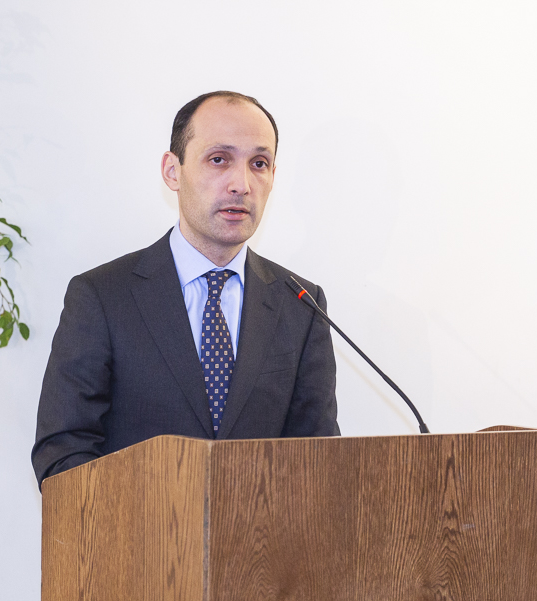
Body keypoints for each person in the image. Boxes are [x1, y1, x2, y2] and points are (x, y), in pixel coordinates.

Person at [32, 91, 339, 487]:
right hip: (137, 526)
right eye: (219, 159)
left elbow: (319, 462)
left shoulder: (301, 304)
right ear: (172, 171)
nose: (241, 184)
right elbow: (62, 455)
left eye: (258, 164)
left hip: (262, 528)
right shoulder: (102, 297)